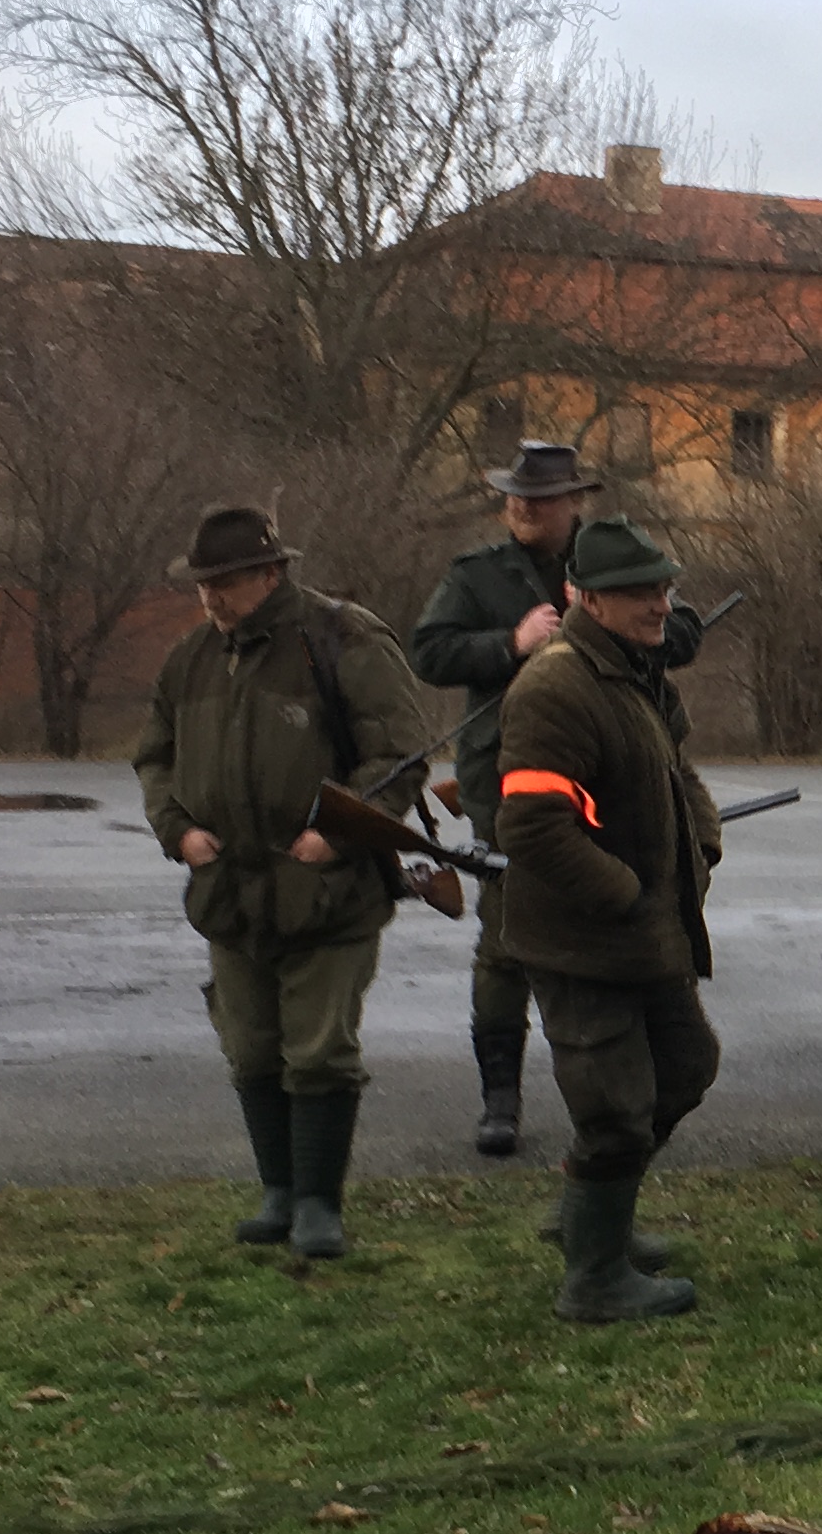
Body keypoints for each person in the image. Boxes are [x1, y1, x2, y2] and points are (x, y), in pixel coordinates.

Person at [132, 503, 428, 1260]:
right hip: (228, 892)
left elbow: (399, 755)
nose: (209, 597)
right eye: (202, 584)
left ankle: (320, 1204)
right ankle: (279, 1192)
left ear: (270, 573)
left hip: (327, 890)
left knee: (320, 1052)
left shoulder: (344, 638)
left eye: (224, 582)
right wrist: (177, 830)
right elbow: (155, 756)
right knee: (251, 1048)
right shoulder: (192, 657)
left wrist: (339, 831)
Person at [490, 517, 726, 1322]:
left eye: (663, 587)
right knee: (615, 1106)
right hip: (583, 941)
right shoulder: (556, 686)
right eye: (638, 592)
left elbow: (679, 769)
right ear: (587, 599)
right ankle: (594, 1279)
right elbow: (531, 827)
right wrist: (625, 893)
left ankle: (590, 1218)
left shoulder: (638, 672)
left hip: (648, 932)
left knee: (685, 1066)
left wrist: (701, 841)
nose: (660, 604)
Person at [410, 438, 596, 1158]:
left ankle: (604, 1098)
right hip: (504, 776)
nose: (522, 508)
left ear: (572, 502)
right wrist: (509, 644)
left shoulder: (611, 561)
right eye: (515, 497)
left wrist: (597, 617)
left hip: (600, 771)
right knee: (506, 940)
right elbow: (429, 652)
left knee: (598, 937)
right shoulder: (477, 574)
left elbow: (677, 634)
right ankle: (500, 1101)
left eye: (539, 499)